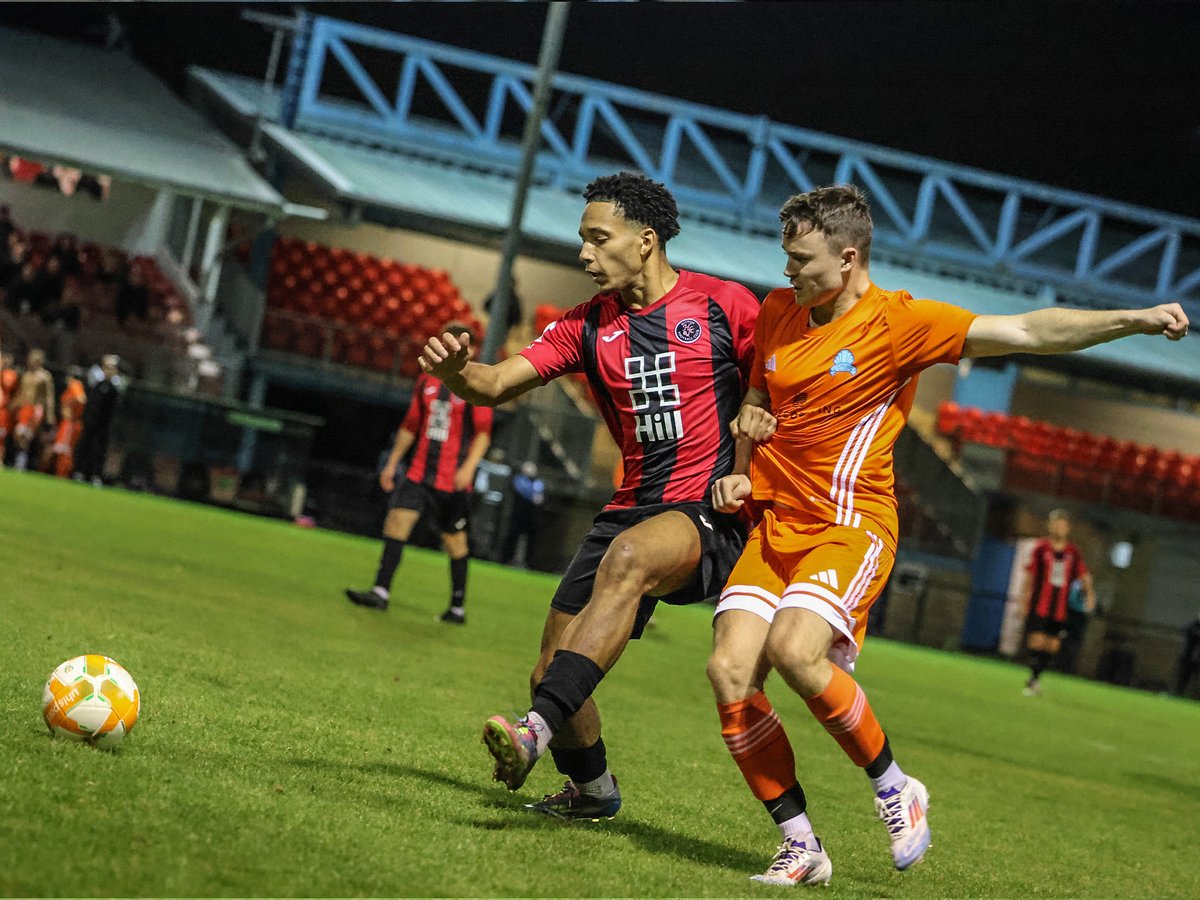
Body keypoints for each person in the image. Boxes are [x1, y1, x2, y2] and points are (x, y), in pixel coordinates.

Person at [703, 184, 1188, 885]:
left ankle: (896, 785)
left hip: (850, 525)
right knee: (727, 671)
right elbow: (759, 395)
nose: (787, 273)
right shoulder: (783, 311)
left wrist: (1134, 320)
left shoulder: (899, 324)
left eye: (801, 259)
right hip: (776, 524)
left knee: (794, 651)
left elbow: (1026, 331)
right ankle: (801, 846)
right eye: (786, 257)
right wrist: (742, 458)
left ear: (848, 256)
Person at [419, 171, 759, 820]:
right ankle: (592, 791)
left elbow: (774, 386)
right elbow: (494, 384)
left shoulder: (723, 305)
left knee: (629, 561)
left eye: (598, 239)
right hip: (629, 509)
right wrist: (456, 373)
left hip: (707, 512)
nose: (584, 254)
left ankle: (532, 734)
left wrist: (749, 463)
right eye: (583, 240)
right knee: (551, 670)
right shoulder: (586, 326)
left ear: (646, 240)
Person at [344, 322, 493, 624]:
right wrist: (392, 462)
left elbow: (482, 433)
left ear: (470, 350)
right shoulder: (426, 380)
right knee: (396, 521)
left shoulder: (476, 382)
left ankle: (457, 608)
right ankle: (380, 592)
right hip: (418, 472)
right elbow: (411, 424)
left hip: (452, 478)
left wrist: (468, 468)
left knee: (455, 542)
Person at [1020, 509, 1095, 694]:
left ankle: (1035, 679)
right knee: (1037, 641)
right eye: (1056, 523)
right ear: (1050, 525)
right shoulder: (1041, 549)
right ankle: (1033, 680)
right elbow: (1030, 575)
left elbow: (1084, 575)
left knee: (1052, 645)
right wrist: (1024, 599)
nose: (1059, 528)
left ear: (1068, 528)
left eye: (1062, 524)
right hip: (1039, 605)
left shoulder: (1073, 552)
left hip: (1060, 609)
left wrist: (1090, 594)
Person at [74, 354, 124, 485]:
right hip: (90, 422)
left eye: (111, 368)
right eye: (106, 367)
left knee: (99, 450)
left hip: (104, 425)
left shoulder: (115, 389)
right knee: (85, 446)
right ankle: (80, 472)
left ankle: (96, 475)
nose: (108, 371)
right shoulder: (95, 385)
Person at [8, 348, 56, 471]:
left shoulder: (45, 376)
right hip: (24, 408)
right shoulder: (26, 375)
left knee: (26, 437)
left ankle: (21, 465)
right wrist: (13, 405)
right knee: (17, 435)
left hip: (36, 409)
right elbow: (21, 393)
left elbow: (48, 397)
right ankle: (20, 461)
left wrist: (49, 415)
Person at [43, 367, 87, 478]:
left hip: (70, 423)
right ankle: (58, 472)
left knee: (64, 450)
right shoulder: (73, 386)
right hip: (67, 422)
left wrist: (69, 403)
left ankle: (62, 474)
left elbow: (81, 398)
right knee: (60, 449)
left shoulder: (75, 384)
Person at [501, 460, 545, 566]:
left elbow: (539, 499)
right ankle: (506, 559)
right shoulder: (519, 480)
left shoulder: (538, 483)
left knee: (531, 541)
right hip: (517, 515)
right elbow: (525, 492)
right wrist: (532, 495)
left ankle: (529, 562)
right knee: (512, 537)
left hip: (531, 516)